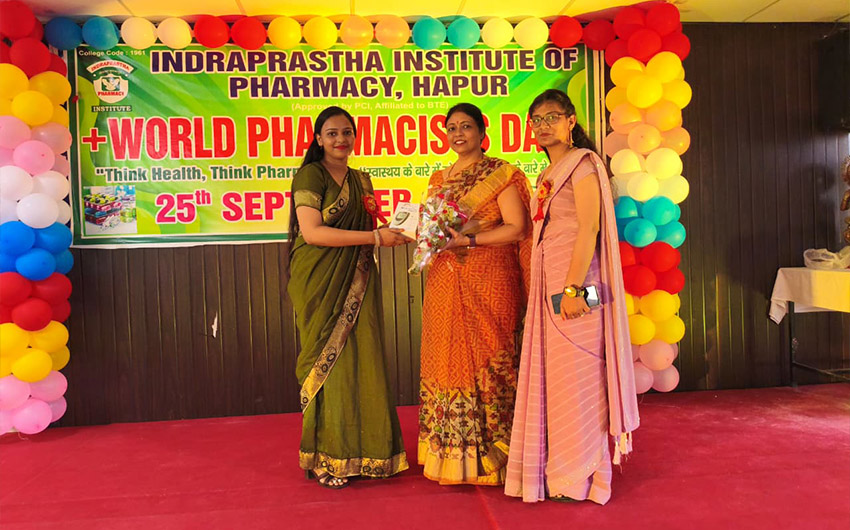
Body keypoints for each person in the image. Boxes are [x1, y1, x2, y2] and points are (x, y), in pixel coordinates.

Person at [504, 89, 640, 504]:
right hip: (549, 283)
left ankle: (581, 478)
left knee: (578, 379)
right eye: (537, 119)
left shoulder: (583, 163)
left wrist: (573, 289)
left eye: (552, 117)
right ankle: (558, 471)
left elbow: (589, 228)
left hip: (575, 286)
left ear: (571, 120)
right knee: (558, 380)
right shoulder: (549, 171)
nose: (543, 125)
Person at [287, 106, 411, 489]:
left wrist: (396, 231)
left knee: (363, 360)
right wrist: (375, 237)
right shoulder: (312, 174)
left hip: (358, 277)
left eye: (347, 132)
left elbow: (368, 228)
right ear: (319, 139)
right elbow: (313, 233)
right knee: (329, 365)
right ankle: (325, 456)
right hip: (319, 280)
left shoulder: (362, 180)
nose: (340, 139)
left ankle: (367, 454)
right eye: (332, 133)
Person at [418, 103, 532, 485]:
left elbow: (517, 228)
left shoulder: (500, 173)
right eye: (451, 128)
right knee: (445, 357)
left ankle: (497, 456)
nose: (458, 134)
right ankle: (453, 456)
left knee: (491, 359)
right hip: (444, 280)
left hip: (489, 279)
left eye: (466, 126)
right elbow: (431, 228)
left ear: (482, 132)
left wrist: (469, 240)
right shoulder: (439, 178)